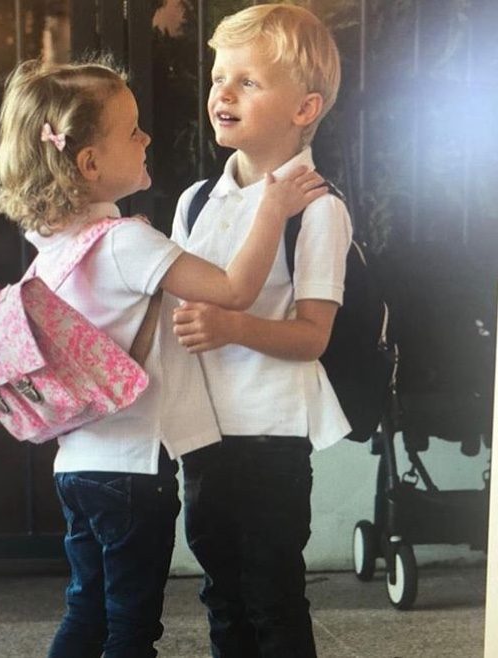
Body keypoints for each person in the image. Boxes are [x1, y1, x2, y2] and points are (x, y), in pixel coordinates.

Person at [0, 58, 326, 658]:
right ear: (89, 164)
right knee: (130, 629)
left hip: (75, 467)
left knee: (85, 611)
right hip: (132, 474)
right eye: (132, 131)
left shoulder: (51, 247)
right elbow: (234, 290)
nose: (147, 138)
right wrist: (273, 210)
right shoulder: (126, 242)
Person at [170, 4, 353, 657]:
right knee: (222, 594)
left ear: (304, 108)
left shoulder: (318, 209)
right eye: (220, 77)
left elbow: (313, 337)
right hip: (204, 430)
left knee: (272, 596)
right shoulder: (195, 201)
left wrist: (231, 325)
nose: (223, 92)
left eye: (248, 81)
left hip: (271, 432)